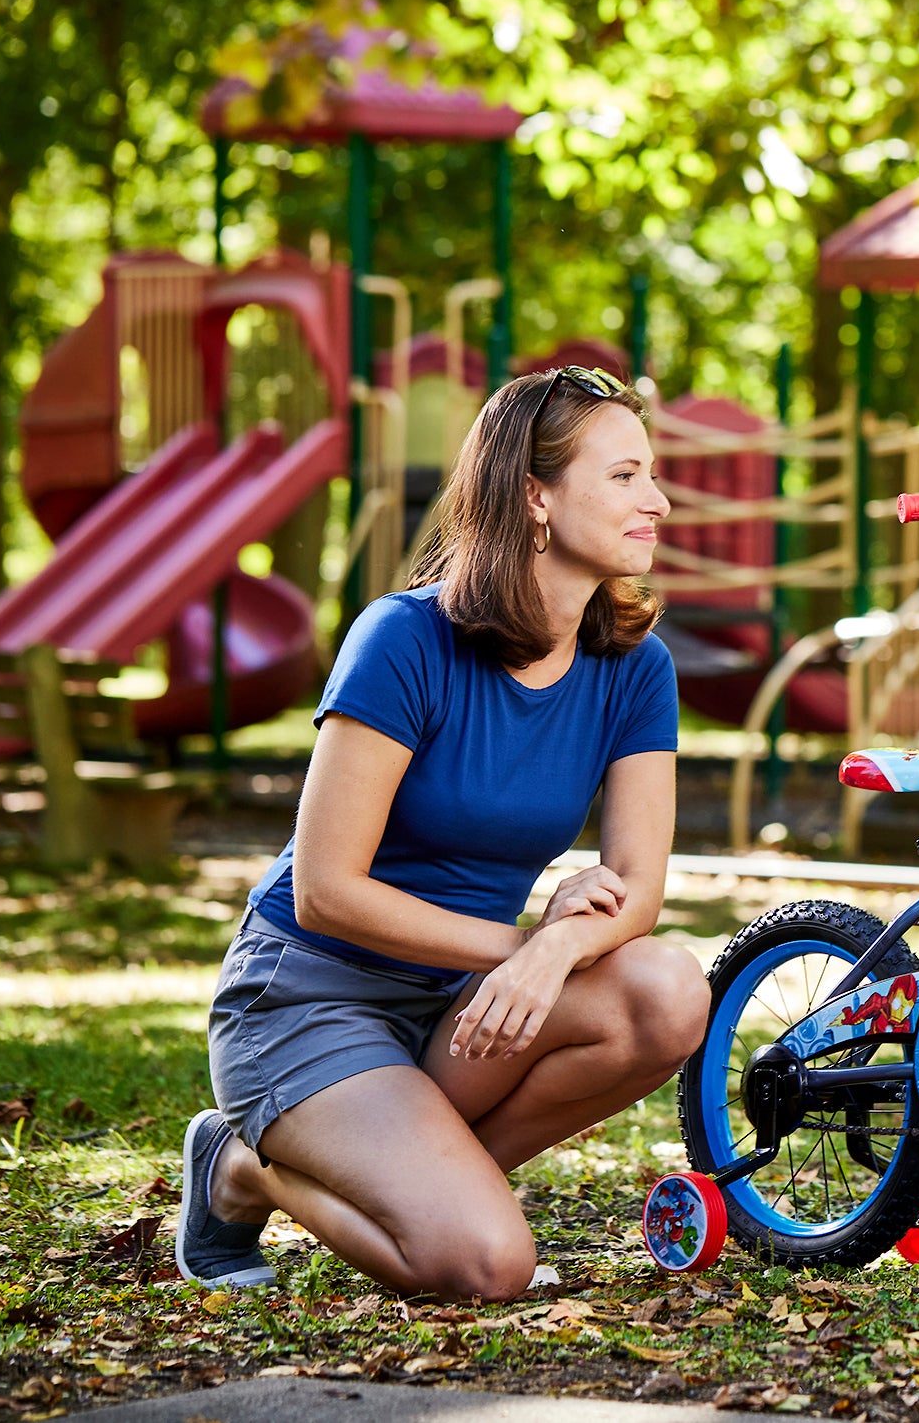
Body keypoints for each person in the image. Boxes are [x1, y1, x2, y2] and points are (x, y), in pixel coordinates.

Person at [176, 366, 708, 1299]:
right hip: (312, 998)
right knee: (486, 1264)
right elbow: (326, 890)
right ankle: (241, 1165)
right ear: (534, 495)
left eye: (651, 476)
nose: (655, 501)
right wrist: (531, 945)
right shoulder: (404, 639)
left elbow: (639, 888)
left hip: (464, 1004)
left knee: (665, 990)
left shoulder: (633, 667)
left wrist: (560, 947)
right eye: (624, 477)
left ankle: (437, 1180)